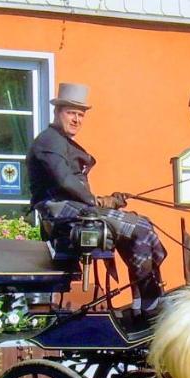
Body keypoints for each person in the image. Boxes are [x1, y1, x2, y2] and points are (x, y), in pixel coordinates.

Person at [26, 82, 167, 315]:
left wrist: (107, 200)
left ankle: (141, 301)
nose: (76, 119)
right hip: (59, 211)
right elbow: (64, 181)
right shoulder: (49, 140)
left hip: (74, 209)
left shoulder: (60, 141)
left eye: (81, 115)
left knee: (141, 224)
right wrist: (97, 201)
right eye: (71, 113)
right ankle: (150, 301)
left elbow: (74, 186)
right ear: (57, 112)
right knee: (139, 227)